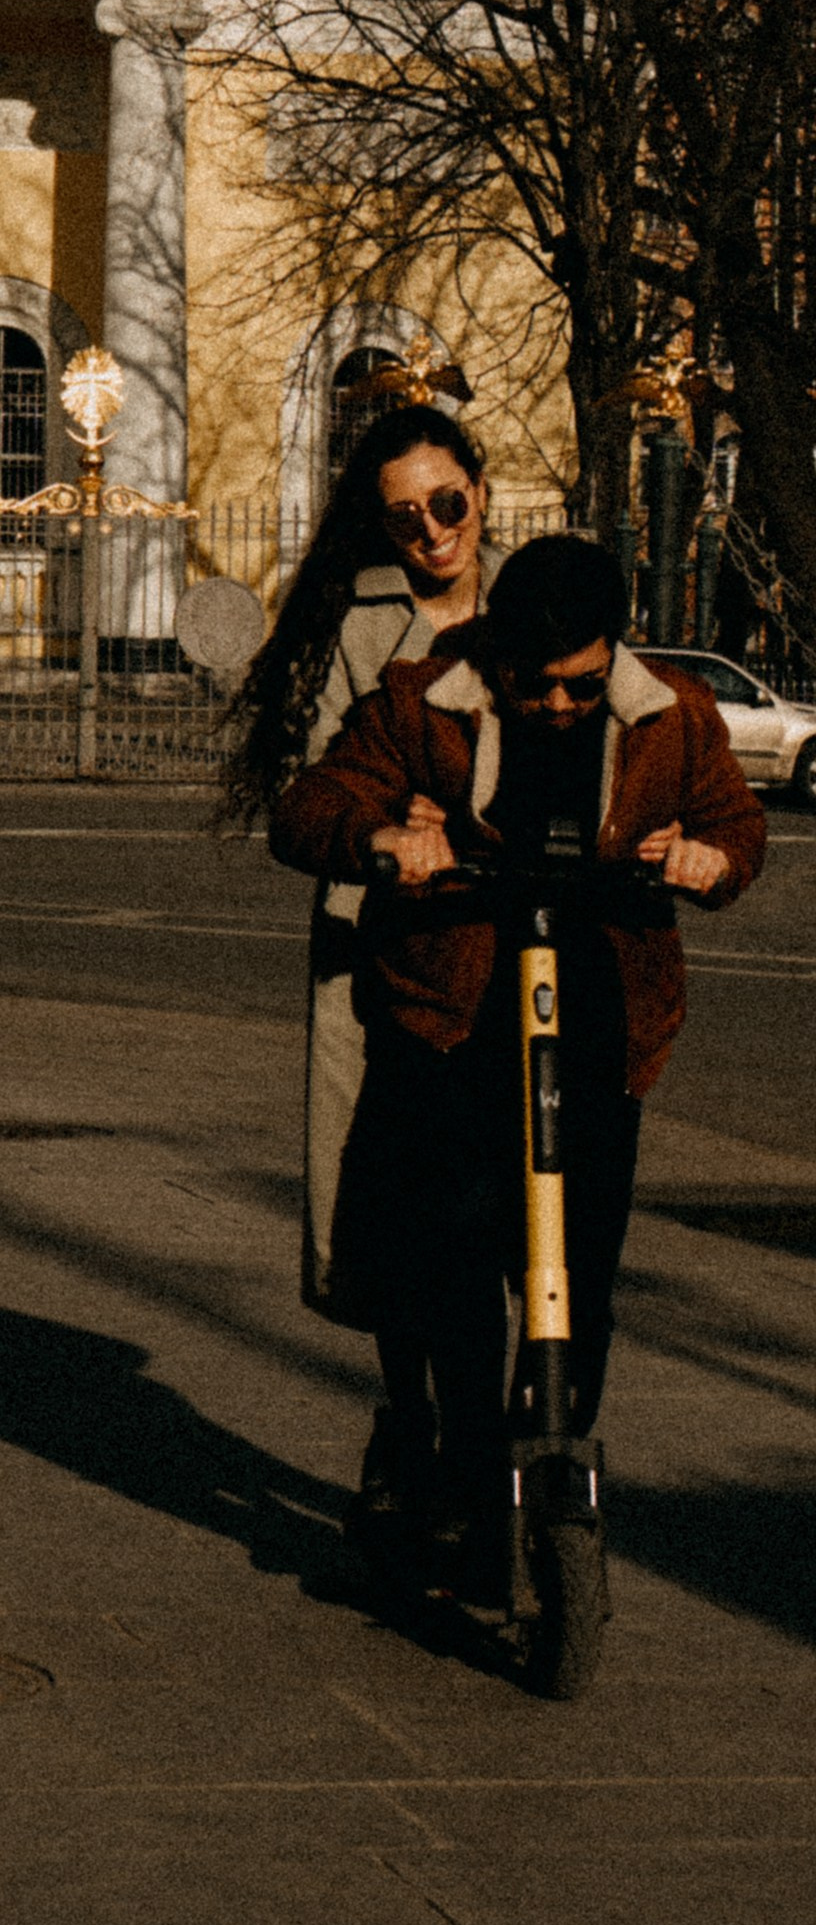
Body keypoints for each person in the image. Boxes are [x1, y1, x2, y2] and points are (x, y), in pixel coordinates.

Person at [269, 534, 766, 1582]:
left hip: (600, 1019)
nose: (553, 708)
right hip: (454, 1017)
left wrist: (706, 859)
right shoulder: (419, 700)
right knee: (453, 1252)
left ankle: (556, 1445)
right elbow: (310, 807)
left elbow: (735, 821)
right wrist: (385, 843)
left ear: (612, 655)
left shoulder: (669, 714)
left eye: (579, 689)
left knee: (581, 1267)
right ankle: (463, 1460)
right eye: (532, 687)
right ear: (495, 654)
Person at [220, 402, 503, 1526]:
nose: (434, 532)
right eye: (405, 518)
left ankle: (494, 1433)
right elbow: (323, 785)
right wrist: (390, 823)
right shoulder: (357, 625)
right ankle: (409, 1414)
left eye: (449, 502)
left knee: (499, 1196)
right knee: (384, 1193)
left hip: (504, 934)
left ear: (481, 485)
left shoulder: (533, 599)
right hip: (383, 935)